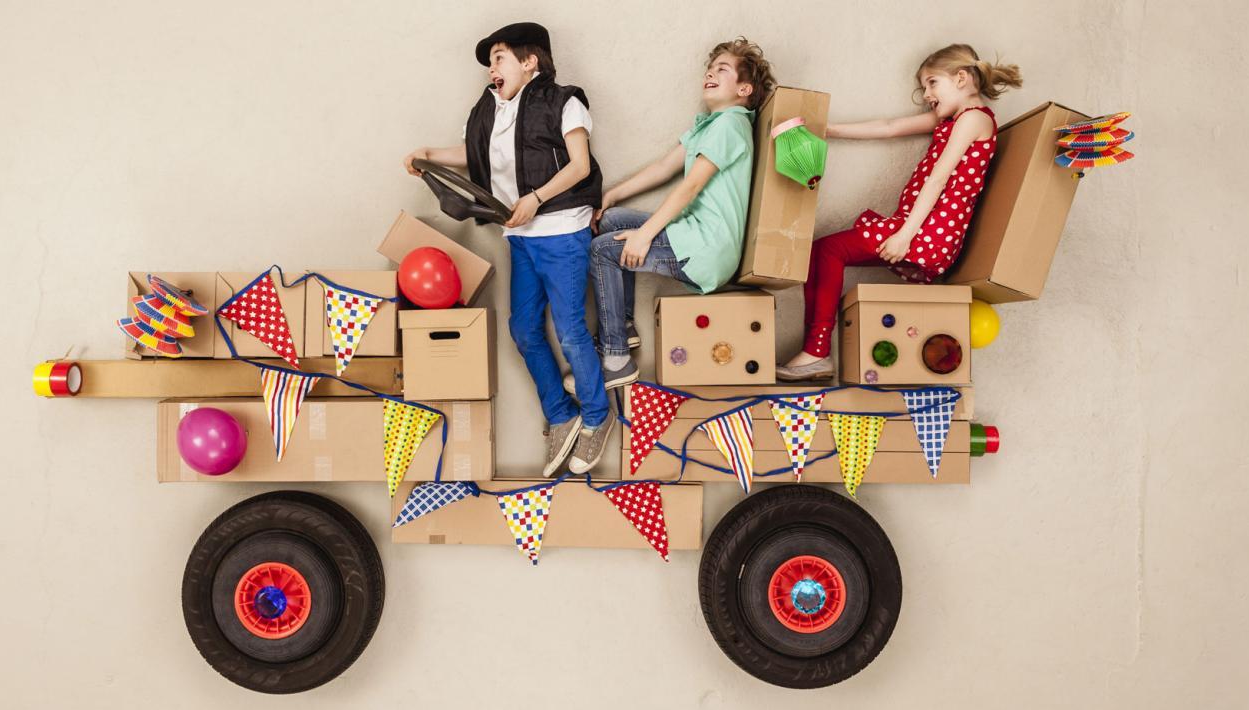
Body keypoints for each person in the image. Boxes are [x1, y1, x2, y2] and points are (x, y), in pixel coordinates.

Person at [402, 22, 610, 475]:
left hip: (562, 230)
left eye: (498, 58)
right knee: (524, 329)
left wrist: (535, 199)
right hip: (520, 237)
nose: (490, 68)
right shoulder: (489, 110)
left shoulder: (564, 101)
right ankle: (561, 414)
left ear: (529, 61)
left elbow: (579, 166)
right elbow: (473, 155)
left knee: (570, 331)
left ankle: (597, 416)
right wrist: (428, 154)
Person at [777, 44, 1022, 382]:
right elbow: (889, 126)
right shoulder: (951, 120)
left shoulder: (974, 119)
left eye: (932, 83)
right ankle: (815, 352)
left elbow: (938, 179)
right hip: (918, 228)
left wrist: (905, 235)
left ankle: (817, 351)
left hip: (926, 232)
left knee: (831, 250)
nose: (927, 95)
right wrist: (827, 129)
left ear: (961, 78)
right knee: (822, 251)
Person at [588, 37, 775, 389]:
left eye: (722, 69)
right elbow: (663, 168)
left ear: (744, 89)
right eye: (710, 68)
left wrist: (644, 236)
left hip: (707, 247)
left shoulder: (731, 124)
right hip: (693, 233)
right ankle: (623, 326)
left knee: (602, 251)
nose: (710, 73)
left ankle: (616, 358)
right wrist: (613, 194)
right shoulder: (709, 125)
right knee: (612, 221)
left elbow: (691, 187)